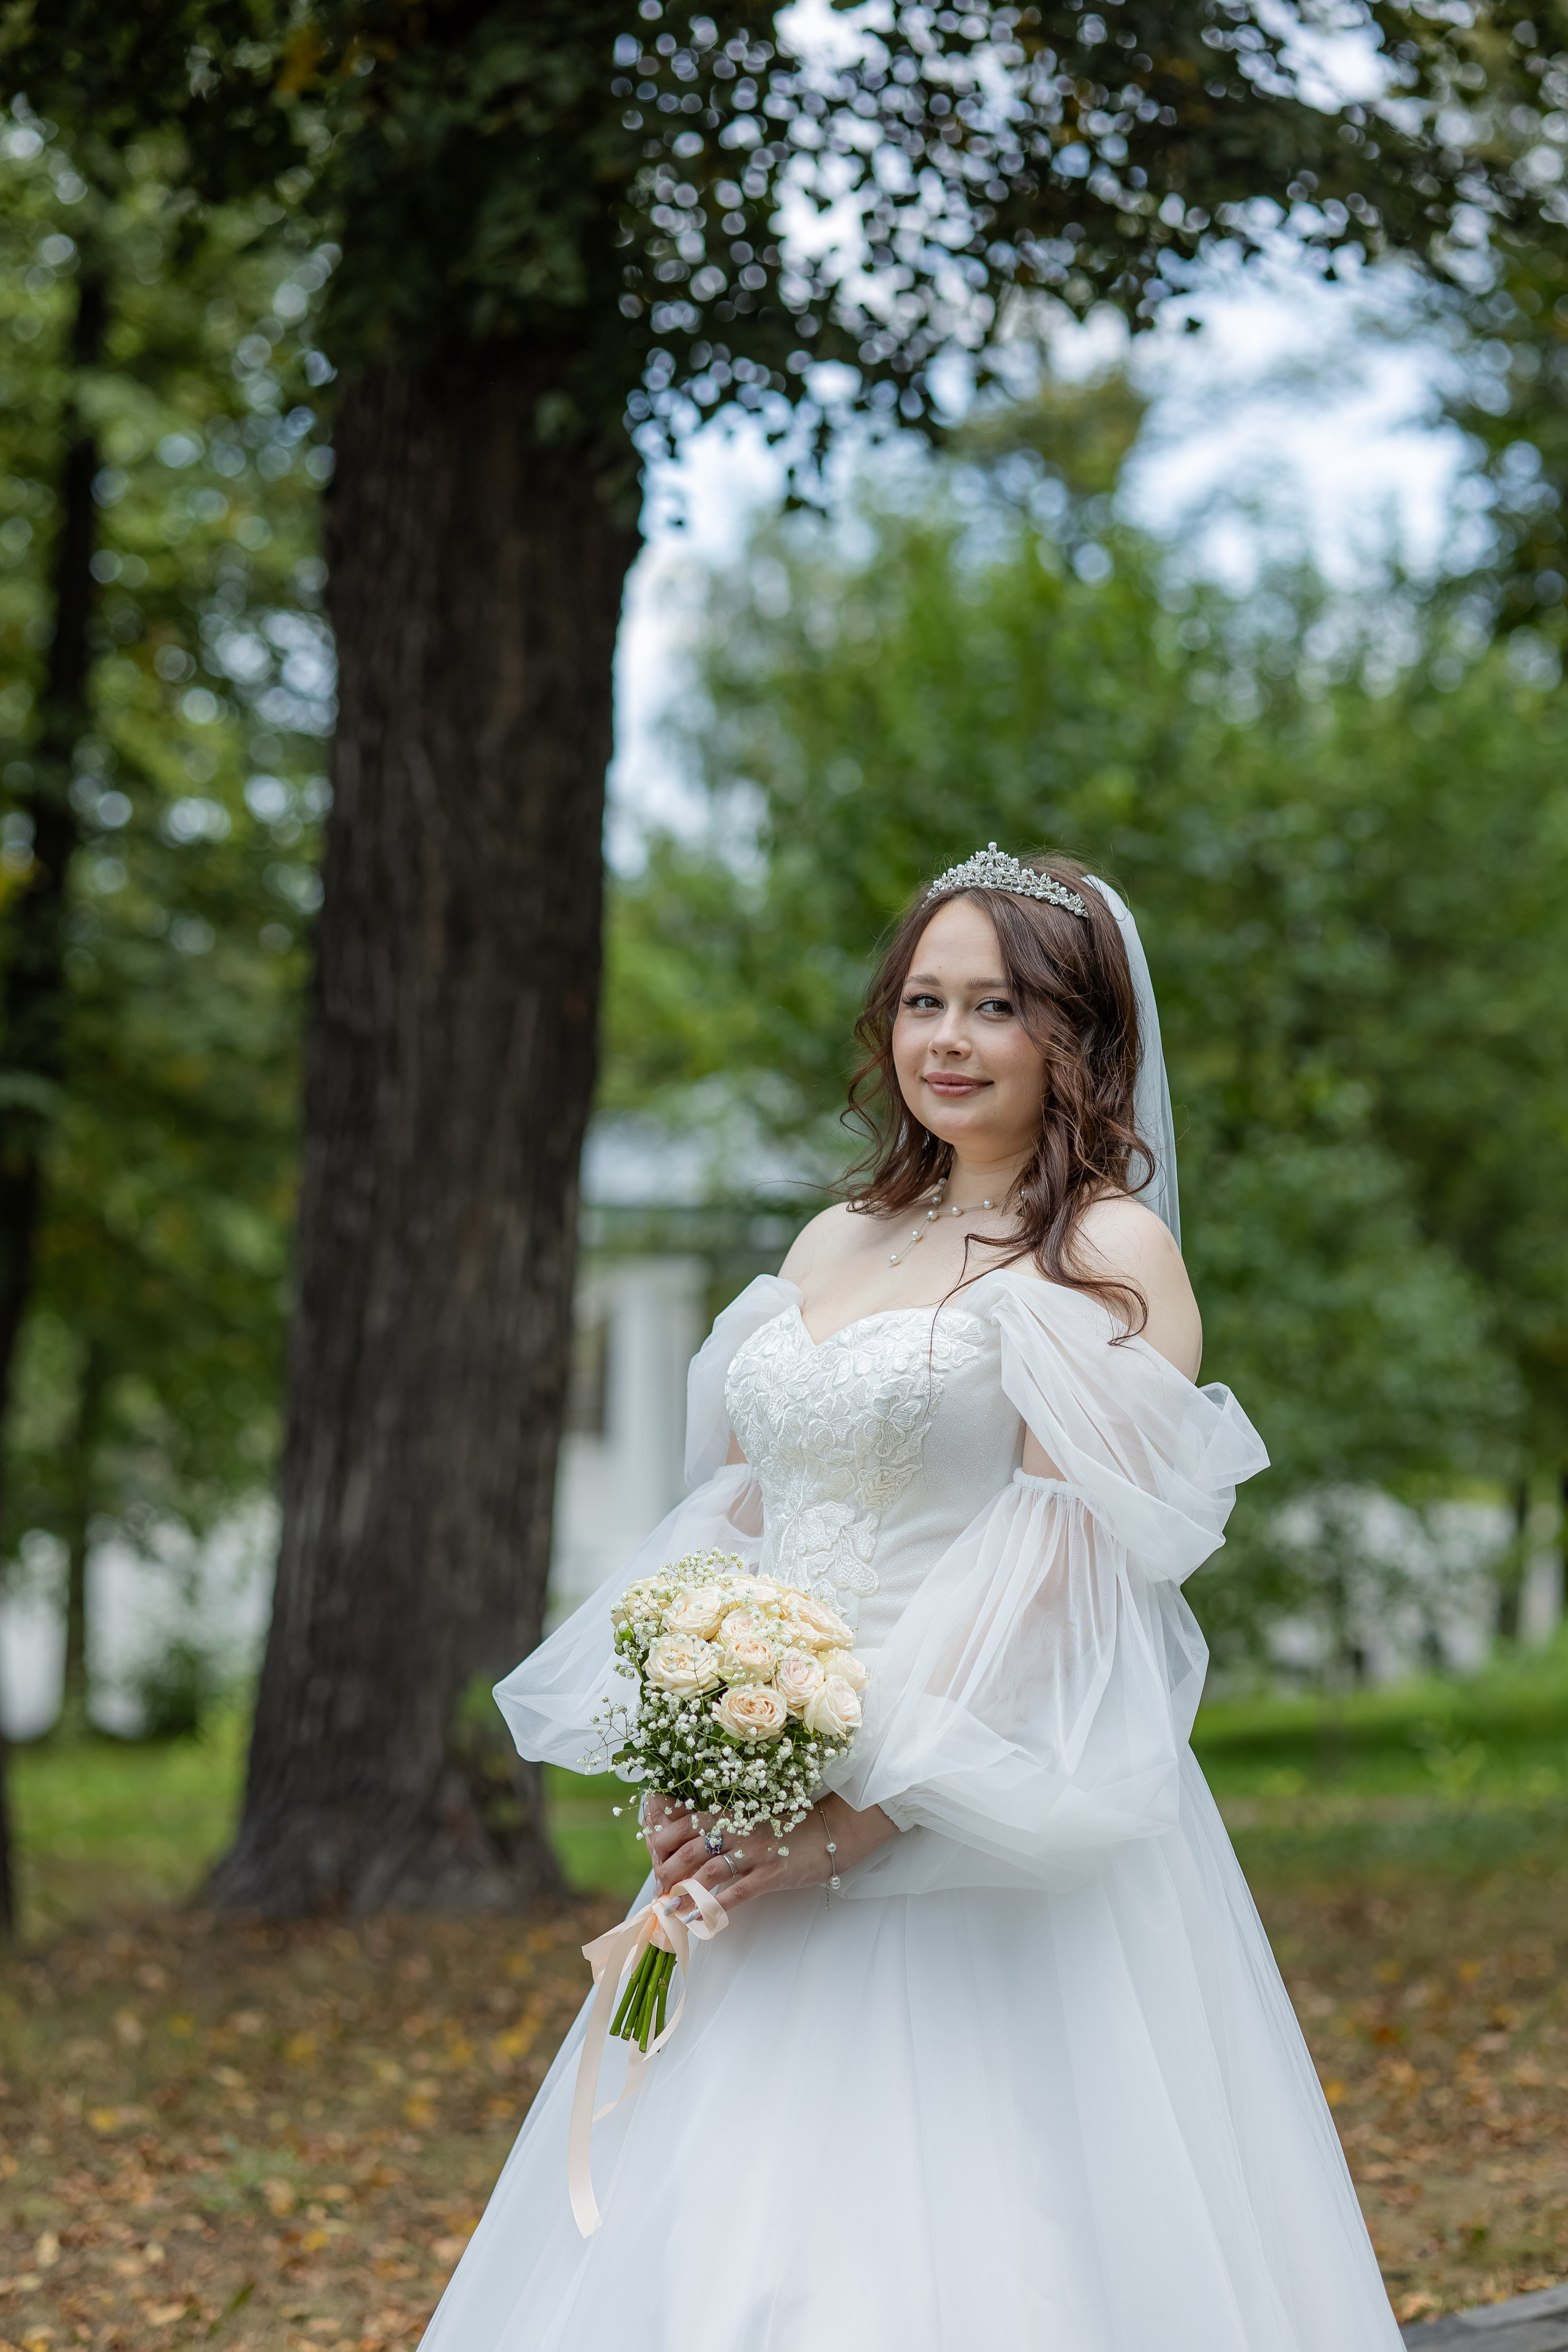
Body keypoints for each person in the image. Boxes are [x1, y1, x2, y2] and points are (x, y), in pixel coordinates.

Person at [420, 848, 1403, 2352]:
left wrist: (852, 1820)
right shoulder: (835, 1240)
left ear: (1072, 1034)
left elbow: (1072, 1573)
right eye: (922, 1001)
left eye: (993, 1005)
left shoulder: (1103, 1254)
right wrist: (699, 1758)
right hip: (757, 1797)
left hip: (976, 1815)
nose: (944, 1039)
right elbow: (733, 1519)